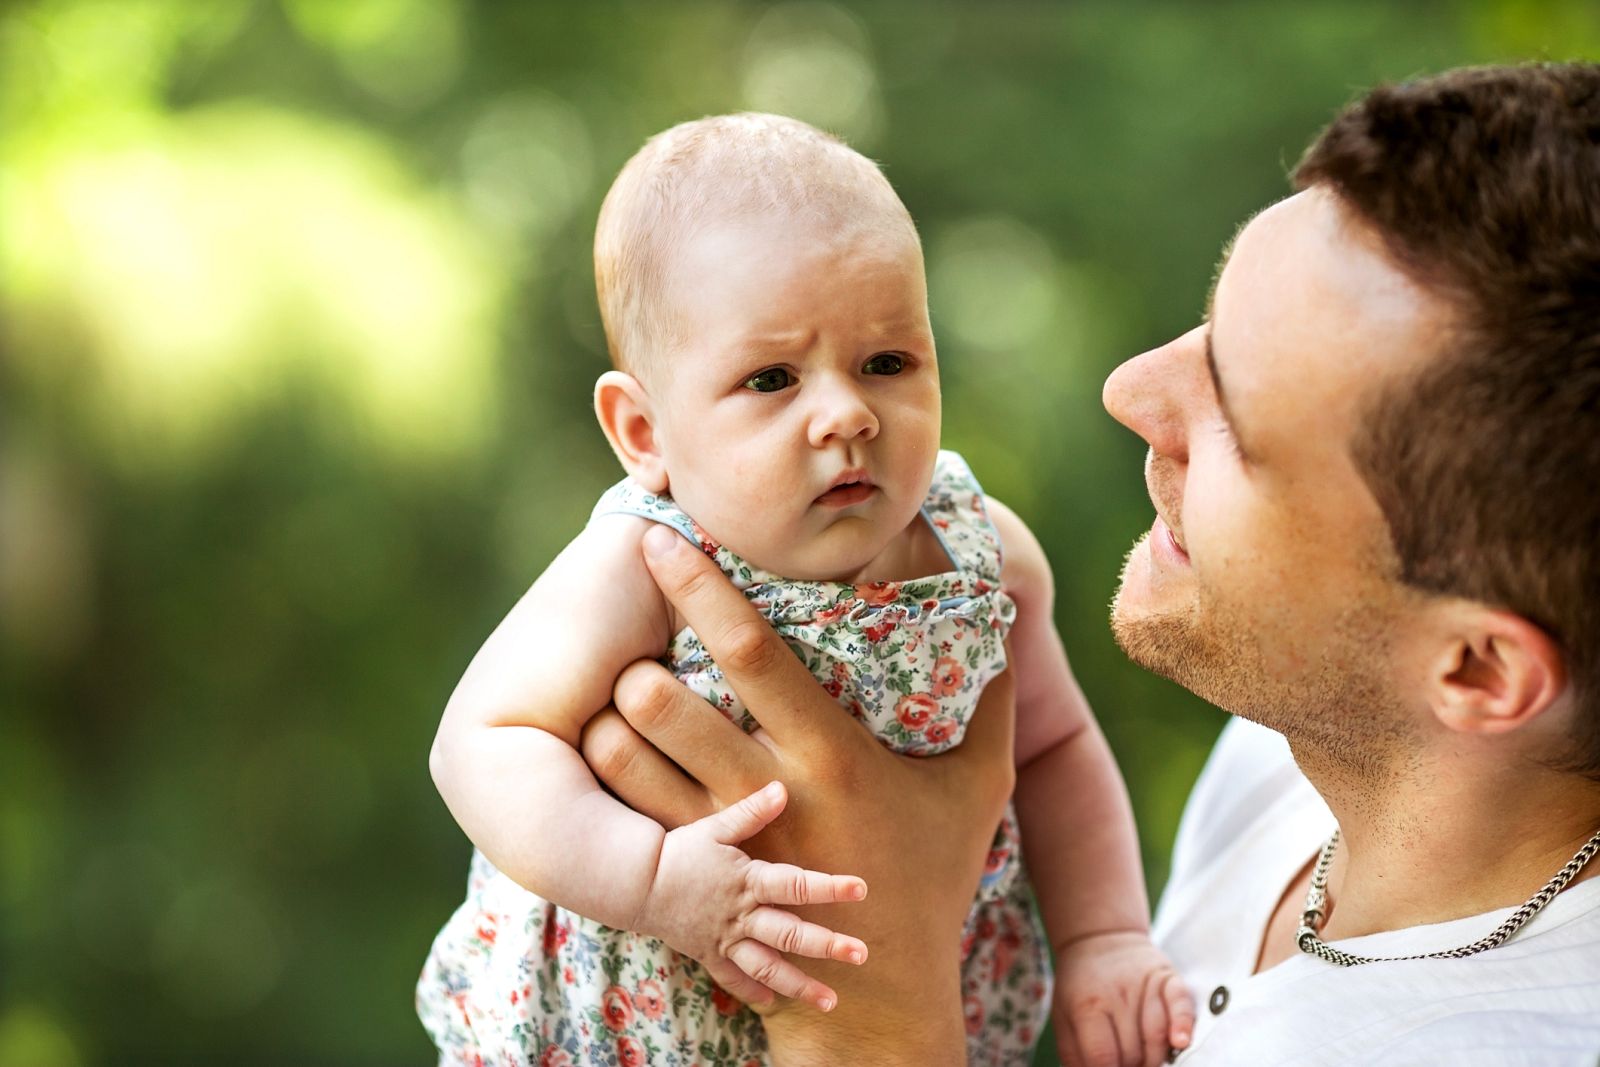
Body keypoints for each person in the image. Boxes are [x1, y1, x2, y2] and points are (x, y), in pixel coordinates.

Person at [580, 63, 1600, 1066]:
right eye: (1207, 328)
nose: (1129, 388)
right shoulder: (1309, 748)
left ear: (1474, 669)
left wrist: (873, 1027)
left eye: (1236, 420)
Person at [417, 113, 1191, 1067]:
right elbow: (483, 744)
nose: (847, 413)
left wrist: (1104, 938)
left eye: (887, 362)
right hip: (627, 1026)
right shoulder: (644, 562)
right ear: (643, 432)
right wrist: (654, 880)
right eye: (772, 377)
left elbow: (1060, 746)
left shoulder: (978, 550)